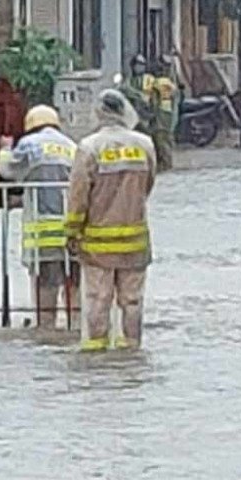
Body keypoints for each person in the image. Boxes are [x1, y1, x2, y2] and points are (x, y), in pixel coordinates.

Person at [66, 89, 157, 352]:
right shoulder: (145, 144)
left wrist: (72, 231)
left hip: (98, 241)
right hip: (136, 240)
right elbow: (148, 185)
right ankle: (130, 348)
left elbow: (78, 195)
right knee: (132, 300)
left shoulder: (89, 147)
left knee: (97, 298)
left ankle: (96, 351)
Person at [0, 105, 79, 330]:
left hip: (44, 232)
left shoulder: (29, 144)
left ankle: (46, 329)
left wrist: (5, 149)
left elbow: (7, 170)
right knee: (74, 282)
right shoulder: (72, 146)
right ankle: (77, 327)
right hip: (74, 229)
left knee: (46, 284)